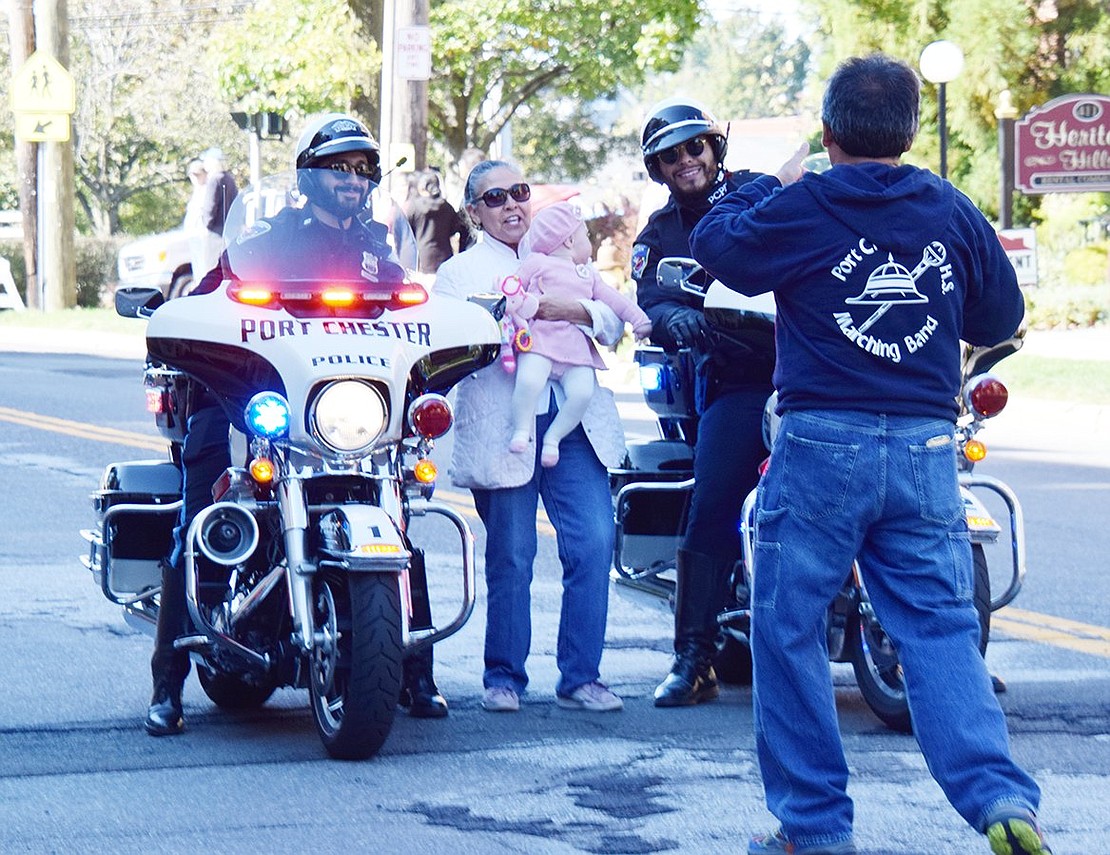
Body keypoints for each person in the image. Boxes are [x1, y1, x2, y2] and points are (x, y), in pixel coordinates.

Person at [690, 54, 1050, 855]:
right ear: (912, 133)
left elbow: (720, 246)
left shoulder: (807, 202)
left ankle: (814, 831)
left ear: (827, 134)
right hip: (925, 445)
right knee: (940, 628)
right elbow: (1001, 313)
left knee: (787, 631)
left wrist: (767, 182)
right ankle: (999, 802)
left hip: (822, 443)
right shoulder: (948, 207)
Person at [145, 113, 448, 737]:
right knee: (200, 518)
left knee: (400, 519)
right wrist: (178, 319)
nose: (351, 178)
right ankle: (167, 683)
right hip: (245, 402)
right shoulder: (260, 242)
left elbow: (411, 322)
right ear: (308, 177)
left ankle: (416, 671)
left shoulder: (378, 252)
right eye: (337, 167)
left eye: (362, 168)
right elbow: (205, 299)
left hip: (340, 411)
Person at [434, 160, 627, 714]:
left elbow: (612, 325)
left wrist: (568, 308)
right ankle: (504, 677)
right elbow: (455, 343)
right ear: (473, 213)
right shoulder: (460, 273)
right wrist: (512, 317)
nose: (512, 205)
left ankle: (581, 676)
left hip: (572, 422)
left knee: (593, 540)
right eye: (496, 198)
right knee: (512, 555)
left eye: (520, 192)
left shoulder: (565, 251)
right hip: (504, 423)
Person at [631, 97, 776, 707]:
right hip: (740, 378)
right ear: (657, 168)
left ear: (716, 147)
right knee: (713, 500)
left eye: (696, 146)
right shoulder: (660, 233)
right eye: (671, 154)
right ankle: (694, 657)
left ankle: (951, 641)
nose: (686, 160)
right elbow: (649, 298)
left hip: (812, 369)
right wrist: (672, 319)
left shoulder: (764, 192)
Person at [506, 202, 652, 467]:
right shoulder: (537, 262)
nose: (590, 242)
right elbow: (514, 287)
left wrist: (639, 320)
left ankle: (553, 439)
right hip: (540, 341)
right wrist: (514, 302)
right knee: (528, 381)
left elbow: (617, 302)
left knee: (582, 393)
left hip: (575, 349)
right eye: (585, 235)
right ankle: (521, 428)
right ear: (570, 240)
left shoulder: (588, 274)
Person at [404, 169, 471, 274]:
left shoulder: (414, 207)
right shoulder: (447, 207)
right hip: (445, 258)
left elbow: (407, 233)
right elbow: (455, 229)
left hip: (422, 259)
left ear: (422, 187)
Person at [194, 147, 239, 280]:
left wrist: (205, 224)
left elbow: (210, 208)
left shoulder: (214, 180)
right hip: (229, 233)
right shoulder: (229, 179)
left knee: (212, 273)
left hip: (215, 236)